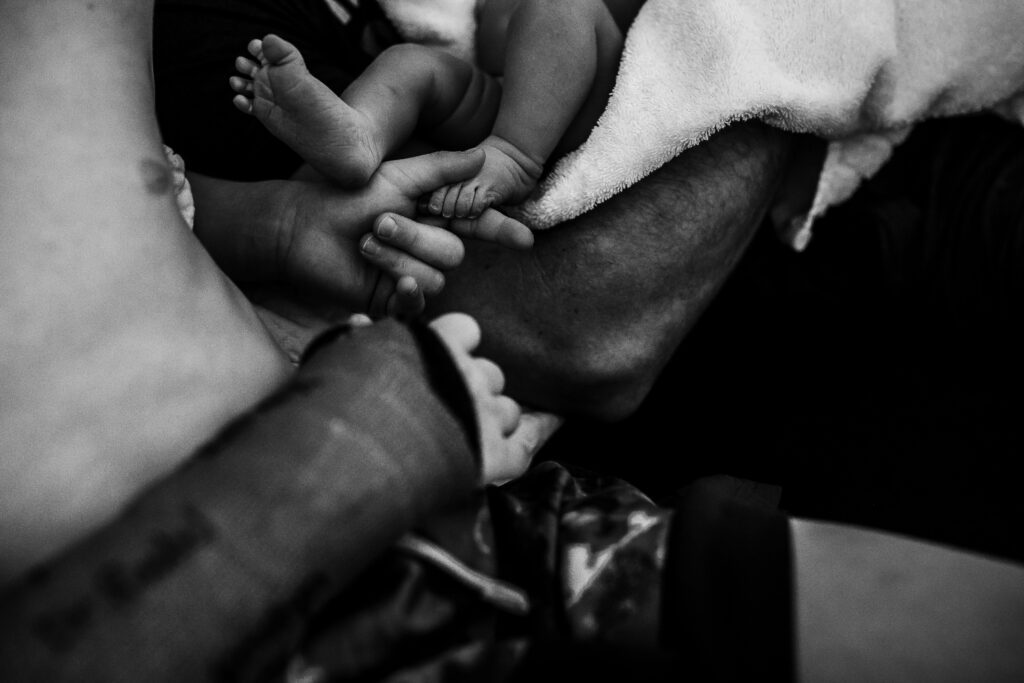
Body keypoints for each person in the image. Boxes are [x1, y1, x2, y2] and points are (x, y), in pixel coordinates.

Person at [3, 1, 1024, 682]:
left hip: (420, 479)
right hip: (387, 481)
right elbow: (583, 331)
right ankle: (469, 147)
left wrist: (273, 227)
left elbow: (122, 204)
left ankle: (412, 141)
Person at [228, 0, 638, 231]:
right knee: (409, 63)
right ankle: (360, 134)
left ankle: (515, 157)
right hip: (499, 99)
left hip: (582, 92)